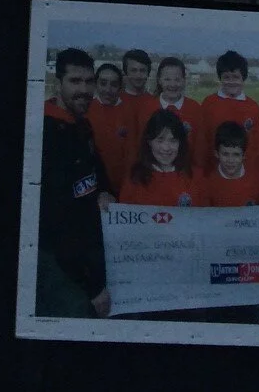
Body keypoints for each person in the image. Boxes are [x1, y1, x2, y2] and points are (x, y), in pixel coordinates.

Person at [37, 47, 113, 318]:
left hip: (88, 249)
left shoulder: (81, 124)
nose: (84, 89)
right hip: (63, 263)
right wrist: (93, 288)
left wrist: (105, 190)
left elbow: (96, 169)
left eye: (89, 81)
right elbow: (57, 224)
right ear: (58, 83)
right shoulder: (45, 133)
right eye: (75, 81)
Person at [198, 50, 259, 174]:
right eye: (226, 77)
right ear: (220, 78)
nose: (231, 81)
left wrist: (255, 174)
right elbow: (202, 143)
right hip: (213, 174)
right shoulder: (209, 103)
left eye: (236, 77)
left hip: (244, 176)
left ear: (243, 77)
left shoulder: (253, 107)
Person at [119, 110, 201, 207]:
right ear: (149, 141)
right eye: (160, 140)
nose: (166, 148)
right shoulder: (134, 178)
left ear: (180, 143)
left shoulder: (196, 177)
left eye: (173, 141)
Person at [144, 56, 204, 170]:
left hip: (186, 175)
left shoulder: (195, 108)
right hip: (153, 174)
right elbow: (142, 146)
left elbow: (200, 149)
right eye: (167, 79)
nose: (172, 84)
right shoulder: (147, 108)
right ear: (159, 80)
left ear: (184, 80)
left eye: (177, 79)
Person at [88, 61, 133, 195]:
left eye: (113, 85)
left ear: (120, 87)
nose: (108, 90)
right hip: (94, 187)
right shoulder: (86, 110)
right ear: (96, 84)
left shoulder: (130, 111)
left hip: (124, 187)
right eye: (103, 83)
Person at [202, 119, 259, 207]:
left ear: (244, 155)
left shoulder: (257, 179)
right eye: (225, 154)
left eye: (236, 154)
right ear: (216, 154)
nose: (230, 160)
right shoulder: (208, 183)